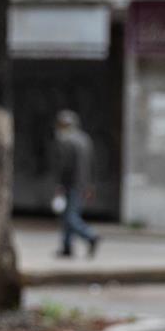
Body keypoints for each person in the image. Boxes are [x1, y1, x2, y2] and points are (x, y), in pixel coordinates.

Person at [53, 110, 98, 259]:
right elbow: (90, 165)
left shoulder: (66, 141)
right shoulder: (85, 140)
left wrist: (60, 185)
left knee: (70, 217)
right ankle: (67, 247)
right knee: (69, 215)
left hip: (71, 184)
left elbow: (65, 166)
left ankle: (90, 236)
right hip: (82, 184)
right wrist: (89, 185)